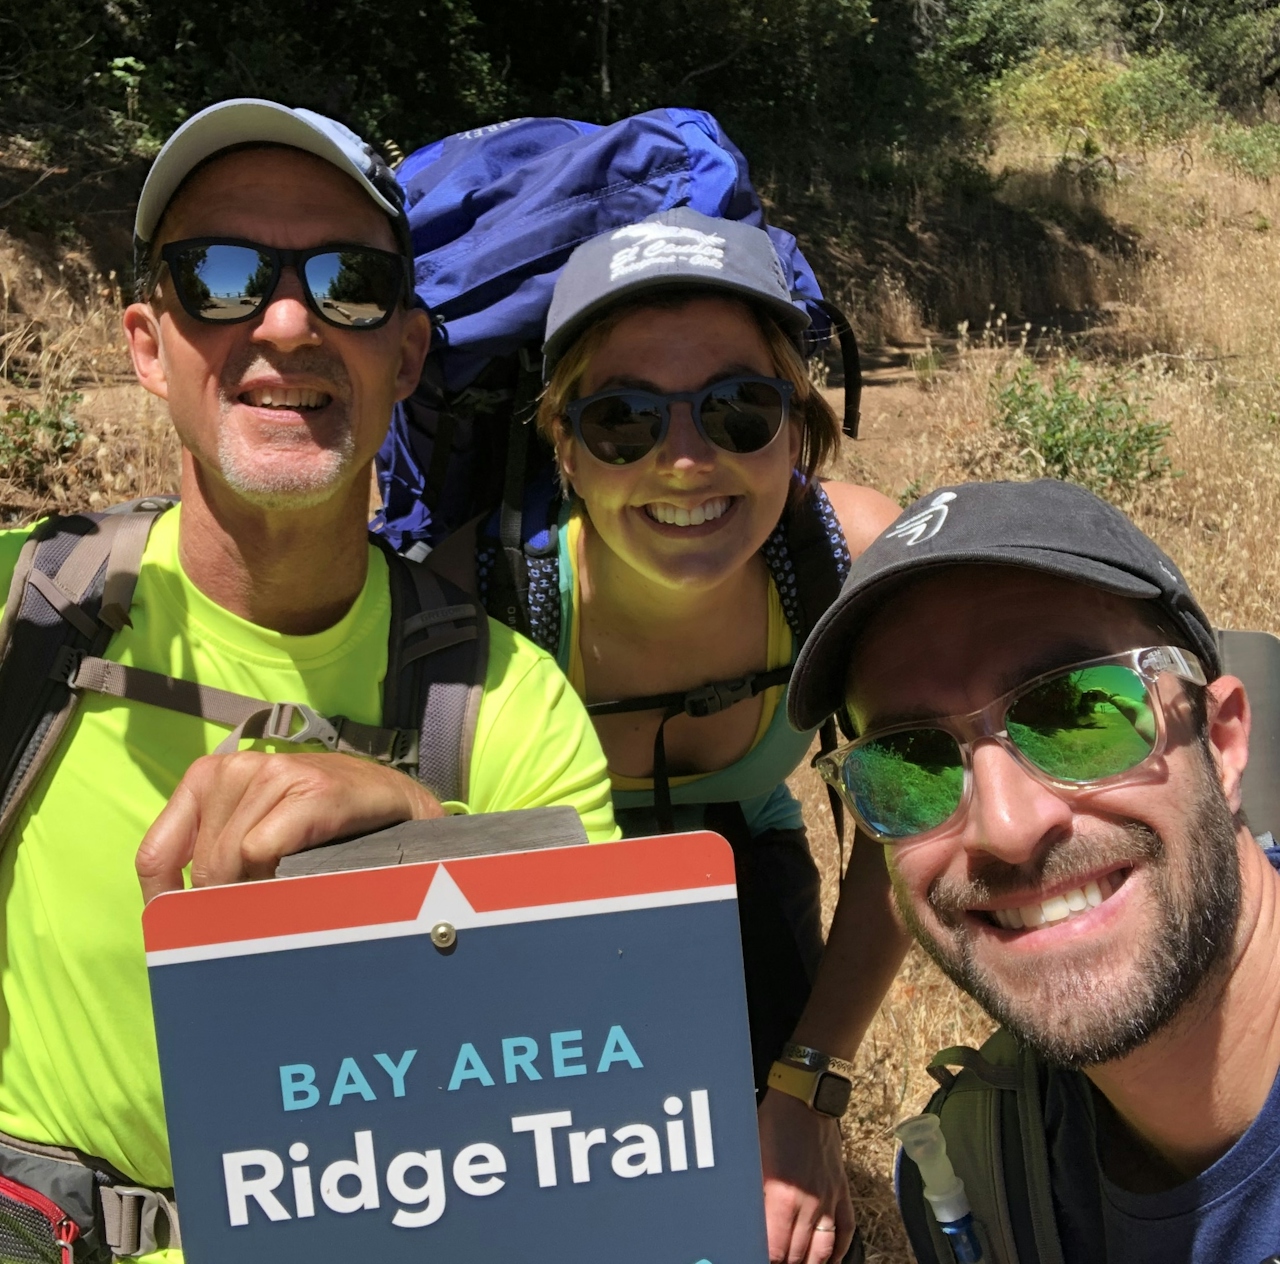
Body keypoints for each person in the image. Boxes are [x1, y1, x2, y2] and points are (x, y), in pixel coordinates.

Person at [0, 99, 615, 1263]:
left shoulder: (505, 703)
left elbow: (587, 1108)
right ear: (146, 342)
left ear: (407, 353)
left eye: (350, 281)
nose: (286, 320)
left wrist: (429, 839)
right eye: (219, 275)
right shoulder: (28, 607)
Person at [532, 209, 910, 1264]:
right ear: (563, 446)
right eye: (623, 420)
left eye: (737, 409)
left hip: (745, 865)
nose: (687, 460)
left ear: (797, 425)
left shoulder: (852, 558)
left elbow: (902, 836)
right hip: (543, 895)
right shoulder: (491, 591)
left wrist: (805, 1088)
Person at [788, 477, 1280, 1262]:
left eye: (1078, 712)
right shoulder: (977, 1181)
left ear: (1220, 741)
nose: (1009, 827)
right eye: (907, 766)